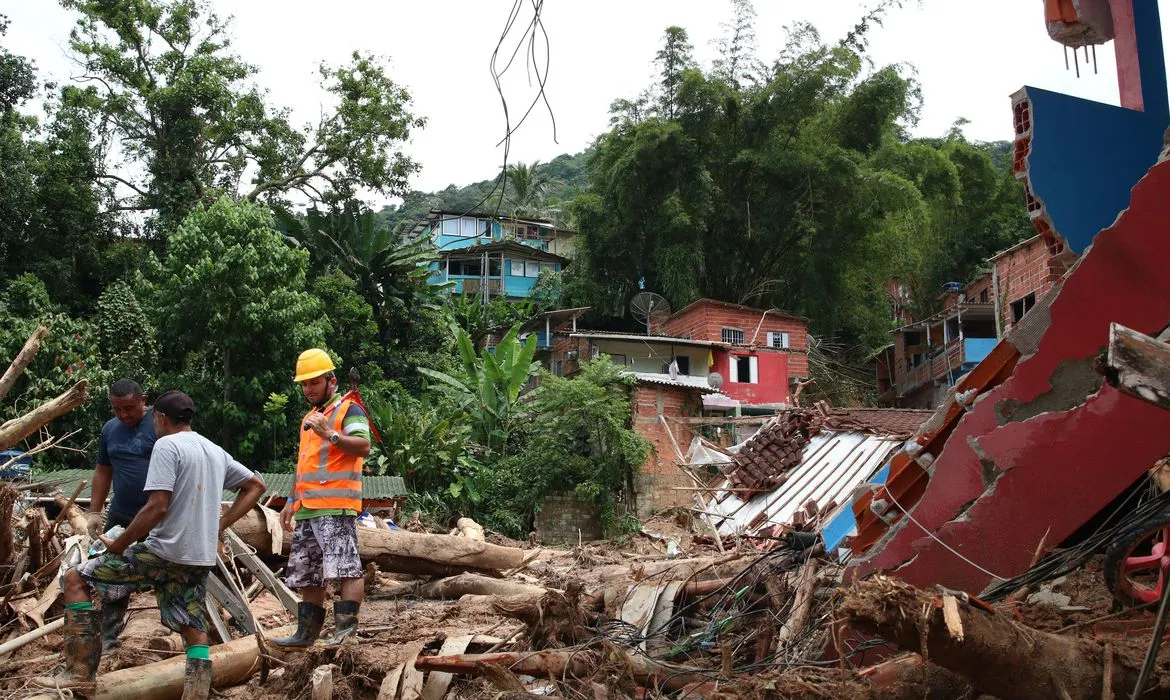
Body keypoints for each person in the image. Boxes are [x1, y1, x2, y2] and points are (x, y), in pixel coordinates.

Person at [37, 391, 267, 698]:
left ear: (159, 417)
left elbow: (157, 506)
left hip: (162, 551)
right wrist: (219, 526)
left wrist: (120, 542)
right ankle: (196, 694)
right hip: (198, 555)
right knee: (191, 623)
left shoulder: (166, 445)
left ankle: (78, 674)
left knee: (75, 578)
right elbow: (256, 486)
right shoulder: (213, 450)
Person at [272, 349, 371, 650]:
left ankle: (344, 633)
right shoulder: (310, 418)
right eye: (304, 384)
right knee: (307, 574)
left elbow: (364, 446)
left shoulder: (349, 410)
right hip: (307, 508)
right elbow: (303, 463)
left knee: (345, 568)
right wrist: (291, 499)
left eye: (314, 382)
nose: (308, 389)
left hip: (336, 507)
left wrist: (332, 434)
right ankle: (306, 634)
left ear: (332, 381)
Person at [87, 378, 157, 651]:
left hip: (157, 516)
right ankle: (109, 637)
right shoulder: (110, 430)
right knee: (112, 573)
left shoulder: (161, 425)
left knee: (169, 573)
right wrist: (95, 510)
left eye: (129, 408)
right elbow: (103, 470)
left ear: (144, 400)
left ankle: (188, 633)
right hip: (122, 515)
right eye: (117, 409)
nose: (123, 415)